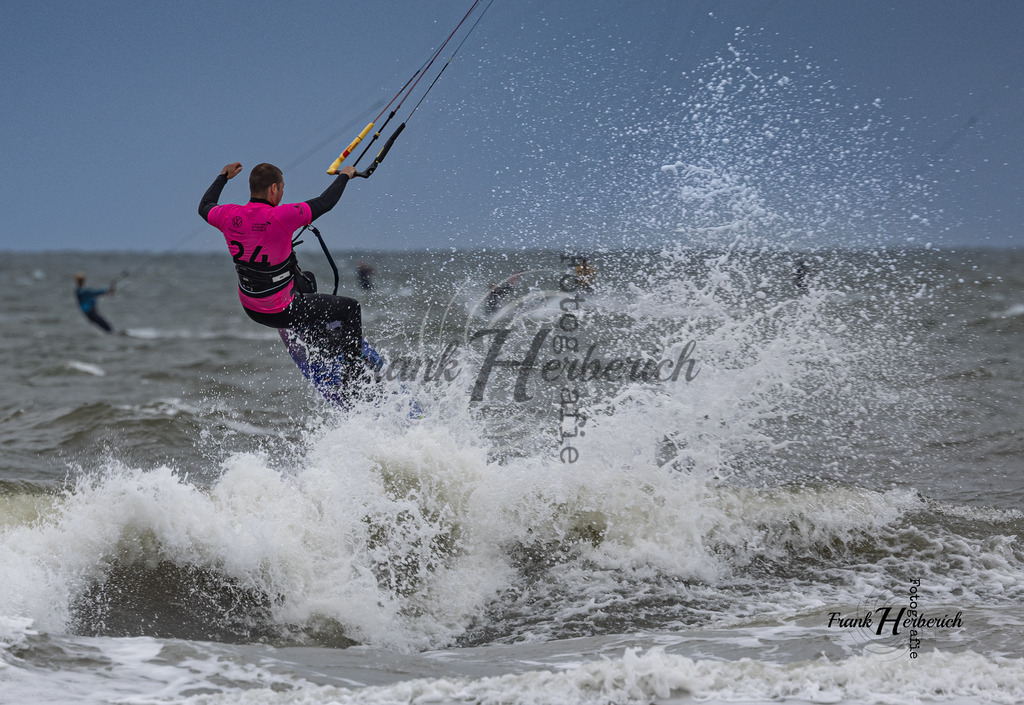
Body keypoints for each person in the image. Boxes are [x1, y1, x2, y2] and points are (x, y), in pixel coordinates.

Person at [198, 161, 366, 385]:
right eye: (283, 187)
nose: (283, 193)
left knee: (307, 279)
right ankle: (353, 378)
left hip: (251, 307)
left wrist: (223, 177)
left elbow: (205, 205)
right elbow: (325, 202)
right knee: (350, 308)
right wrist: (345, 175)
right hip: (281, 311)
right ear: (274, 188)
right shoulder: (282, 215)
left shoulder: (229, 215)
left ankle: (315, 338)